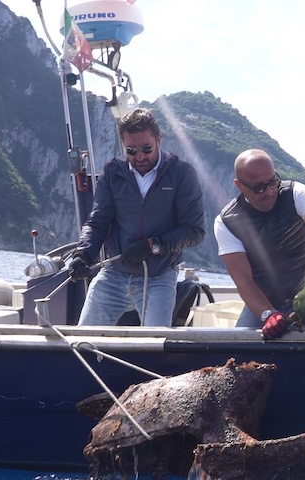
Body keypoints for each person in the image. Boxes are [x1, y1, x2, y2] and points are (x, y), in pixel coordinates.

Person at [67, 108, 205, 326]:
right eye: (131, 150)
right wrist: (83, 254)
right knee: (84, 341)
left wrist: (153, 245)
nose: (139, 156)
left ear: (159, 140)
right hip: (114, 274)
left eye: (146, 148)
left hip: (158, 277)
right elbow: (97, 222)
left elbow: (194, 231)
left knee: (153, 345)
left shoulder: (182, 174)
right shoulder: (113, 172)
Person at [214, 149, 305, 339]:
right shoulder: (226, 222)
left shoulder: (295, 193)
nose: (269, 192)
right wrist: (268, 314)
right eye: (259, 187)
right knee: (239, 353)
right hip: (262, 302)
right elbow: (244, 281)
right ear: (239, 186)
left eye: (272, 182)